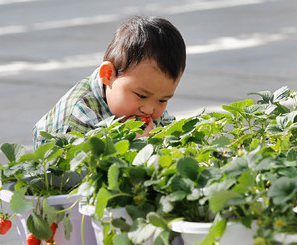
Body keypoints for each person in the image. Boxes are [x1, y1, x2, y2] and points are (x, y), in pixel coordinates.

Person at [33, 16, 186, 149]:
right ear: (108, 74)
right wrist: (133, 148)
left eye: (163, 100)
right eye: (141, 96)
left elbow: (173, 136)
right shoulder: (79, 113)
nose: (149, 110)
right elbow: (79, 172)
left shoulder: (149, 99)